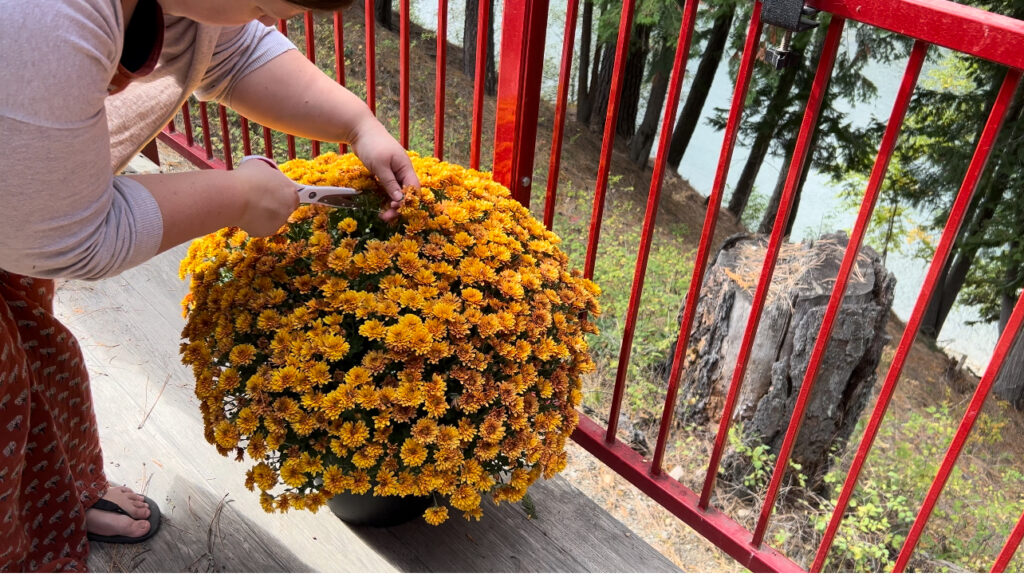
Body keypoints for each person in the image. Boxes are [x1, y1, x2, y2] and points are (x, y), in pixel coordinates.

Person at [0, 0, 420, 571]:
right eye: (269, 1)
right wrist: (238, 196)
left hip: (17, 229)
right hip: (27, 227)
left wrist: (358, 125)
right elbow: (64, 237)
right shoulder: (43, 17)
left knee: (38, 364)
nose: (276, 21)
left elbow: (229, 49)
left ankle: (56, 495)